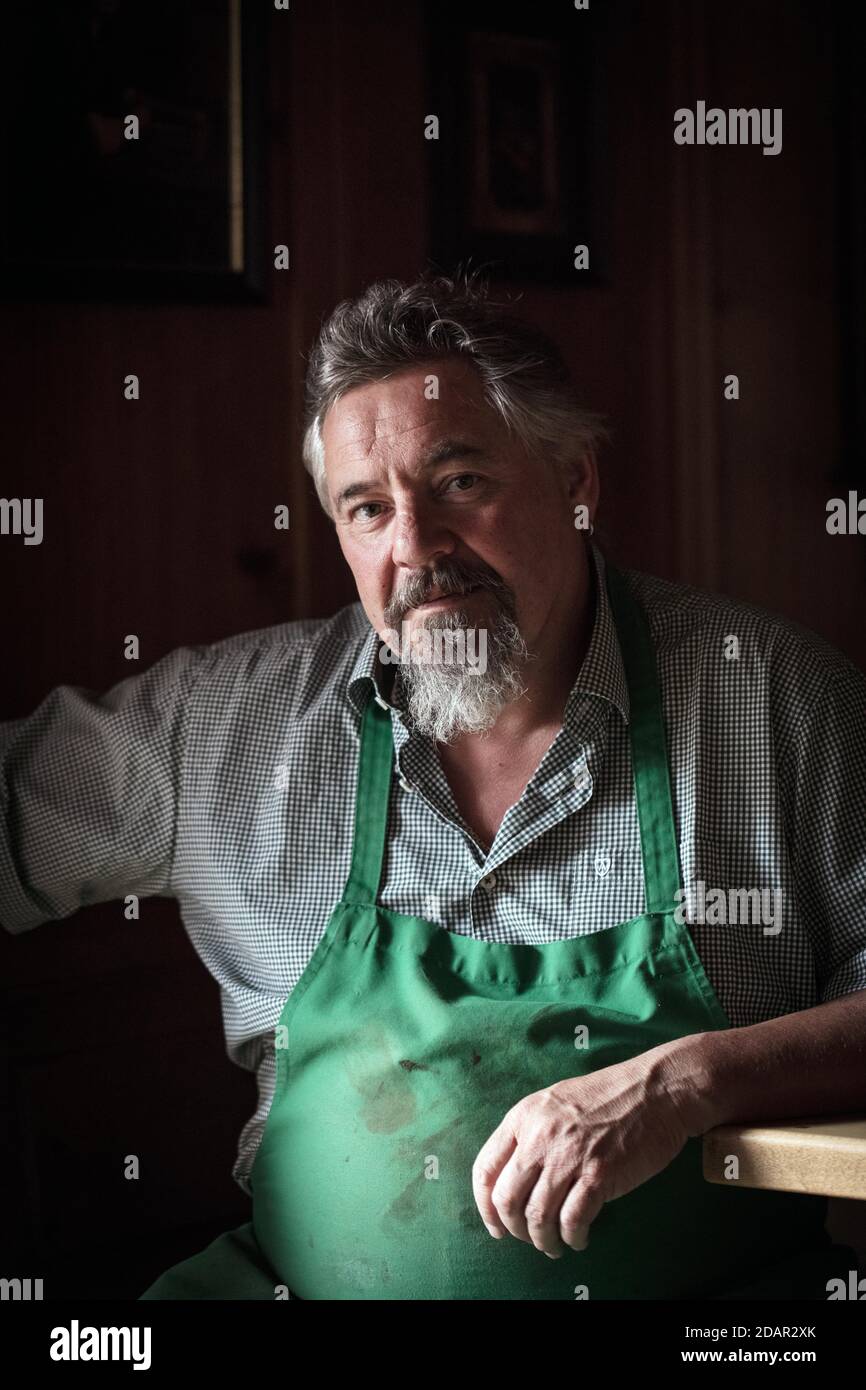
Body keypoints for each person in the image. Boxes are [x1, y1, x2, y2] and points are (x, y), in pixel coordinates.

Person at [2, 273, 865, 1300]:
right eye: (367, 509)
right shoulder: (226, 726)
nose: (413, 547)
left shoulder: (774, 700)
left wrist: (687, 1080)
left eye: (458, 482)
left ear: (576, 478)